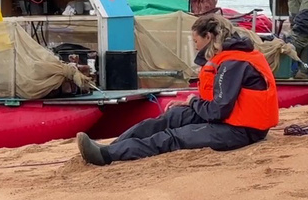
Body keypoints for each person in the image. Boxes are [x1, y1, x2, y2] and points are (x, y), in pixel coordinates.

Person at [76, 14, 278, 165]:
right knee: (170, 118)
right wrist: (190, 103)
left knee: (172, 136)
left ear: (208, 37)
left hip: (242, 131)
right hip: (228, 119)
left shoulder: (234, 63)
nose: (196, 47)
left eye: (196, 41)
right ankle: (112, 147)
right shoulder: (230, 57)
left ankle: (106, 156)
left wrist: (192, 102)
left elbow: (218, 110)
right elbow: (220, 102)